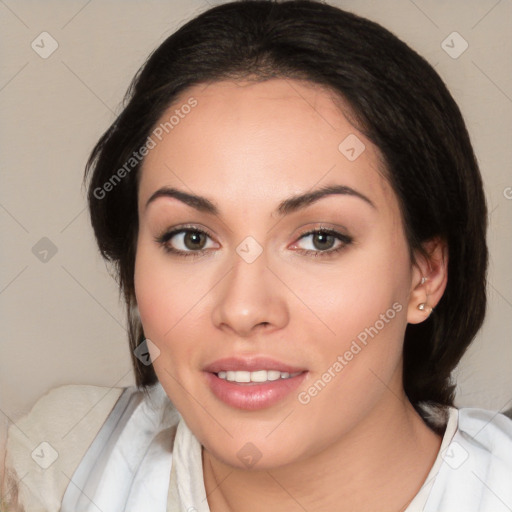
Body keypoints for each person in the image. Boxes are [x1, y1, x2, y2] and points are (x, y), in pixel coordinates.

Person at [3, 1, 512, 511]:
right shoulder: (58, 467)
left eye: (320, 239)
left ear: (425, 274)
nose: (244, 309)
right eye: (191, 239)